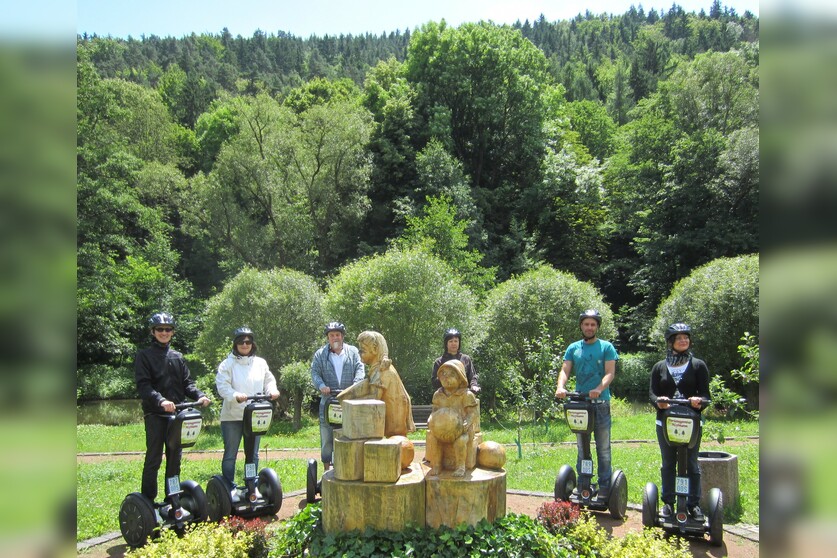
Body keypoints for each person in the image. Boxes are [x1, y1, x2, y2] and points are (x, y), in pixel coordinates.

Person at [134, 312, 210, 502]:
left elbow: (187, 383)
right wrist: (160, 400)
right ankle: (148, 501)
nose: (164, 332)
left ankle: (173, 497)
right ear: (153, 332)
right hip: (155, 414)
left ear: (173, 333)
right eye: (160, 329)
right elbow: (144, 386)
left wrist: (200, 395)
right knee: (154, 458)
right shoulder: (144, 356)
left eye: (168, 329)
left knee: (175, 458)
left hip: (177, 416)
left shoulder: (177, 357)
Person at [649, 322, 711, 521]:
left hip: (690, 422)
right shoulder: (659, 366)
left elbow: (706, 395)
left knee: (691, 464)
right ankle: (668, 503)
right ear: (671, 342)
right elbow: (652, 393)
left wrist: (698, 401)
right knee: (668, 463)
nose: (683, 340)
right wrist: (659, 402)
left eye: (686, 337)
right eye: (679, 338)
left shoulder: (698, 365)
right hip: (665, 422)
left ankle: (693, 504)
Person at [554, 309, 618, 500]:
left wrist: (599, 388)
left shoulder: (606, 347)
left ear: (597, 327)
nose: (589, 327)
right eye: (586, 324)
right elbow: (565, 370)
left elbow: (610, 373)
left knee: (603, 448)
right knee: (582, 447)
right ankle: (584, 483)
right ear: (581, 326)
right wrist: (560, 387)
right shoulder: (573, 348)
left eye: (593, 324)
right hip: (580, 404)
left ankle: (605, 486)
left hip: (600, 403)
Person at [215, 327, 280, 488]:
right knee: (231, 454)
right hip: (232, 416)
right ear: (235, 344)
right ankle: (228, 487)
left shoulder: (260, 363)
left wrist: (272, 390)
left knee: (253, 454)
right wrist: (235, 395)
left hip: (254, 416)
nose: (245, 345)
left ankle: (251, 483)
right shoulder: (227, 364)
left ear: (252, 344)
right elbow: (222, 387)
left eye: (248, 342)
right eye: (241, 342)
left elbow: (269, 380)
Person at [338, 330, 415, 437]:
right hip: (388, 427)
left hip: (394, 429)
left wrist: (349, 401)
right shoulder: (376, 370)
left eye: (363, 351)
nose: (359, 354)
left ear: (374, 349)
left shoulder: (382, 371)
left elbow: (374, 399)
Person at [310, 321, 365, 469]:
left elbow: (360, 368)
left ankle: (348, 468)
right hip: (328, 402)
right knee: (327, 438)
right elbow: (314, 372)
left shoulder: (352, 352)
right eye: (332, 335)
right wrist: (321, 386)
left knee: (348, 436)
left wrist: (355, 385)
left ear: (342, 336)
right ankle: (327, 471)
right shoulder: (320, 354)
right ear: (328, 337)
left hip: (348, 402)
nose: (335, 338)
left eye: (338, 335)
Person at [426, 359, 478, 477]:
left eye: (451, 375)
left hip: (462, 430)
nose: (446, 378)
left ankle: (460, 466)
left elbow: (472, 413)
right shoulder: (438, 395)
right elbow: (434, 412)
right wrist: (430, 419)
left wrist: (467, 422)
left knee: (460, 441)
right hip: (442, 429)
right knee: (434, 439)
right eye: (443, 374)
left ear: (460, 378)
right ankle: (437, 465)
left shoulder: (466, 395)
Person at [431, 328, 480, 393]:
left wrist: (474, 386)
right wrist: (444, 378)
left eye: (456, 341)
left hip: (463, 394)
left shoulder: (466, 359)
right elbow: (434, 381)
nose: (453, 343)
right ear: (446, 343)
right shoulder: (439, 361)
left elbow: (472, 376)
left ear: (459, 343)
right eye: (451, 341)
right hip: (445, 395)